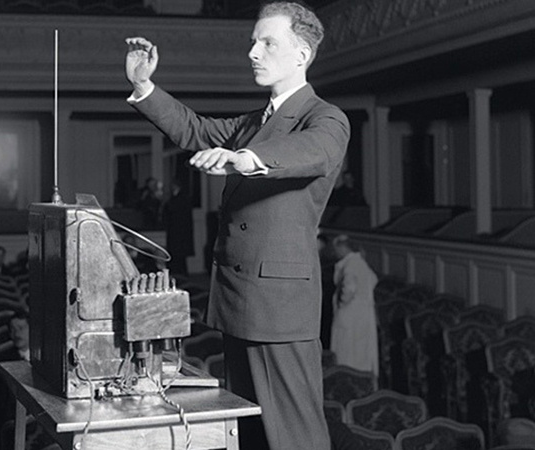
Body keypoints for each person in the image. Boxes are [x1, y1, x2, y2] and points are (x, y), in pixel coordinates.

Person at [125, 2, 350, 448]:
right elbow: (193, 130)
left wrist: (244, 159)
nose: (253, 52)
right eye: (253, 42)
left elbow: (312, 151)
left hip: (280, 309)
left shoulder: (325, 117)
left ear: (302, 55)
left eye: (268, 43)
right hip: (238, 299)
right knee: (249, 433)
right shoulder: (252, 123)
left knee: (295, 438)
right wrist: (144, 86)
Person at [329, 235, 379, 376]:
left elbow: (348, 290)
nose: (335, 253)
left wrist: (341, 303)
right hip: (363, 313)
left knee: (347, 346)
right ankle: (361, 376)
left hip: (350, 313)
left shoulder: (350, 264)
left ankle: (346, 376)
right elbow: (373, 279)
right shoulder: (360, 262)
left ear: (343, 248)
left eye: (336, 249)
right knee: (360, 348)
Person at [162, 178, 194, 276]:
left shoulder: (181, 198)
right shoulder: (178, 198)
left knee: (178, 253)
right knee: (177, 253)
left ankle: (179, 273)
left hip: (179, 230)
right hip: (177, 230)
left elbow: (172, 209)